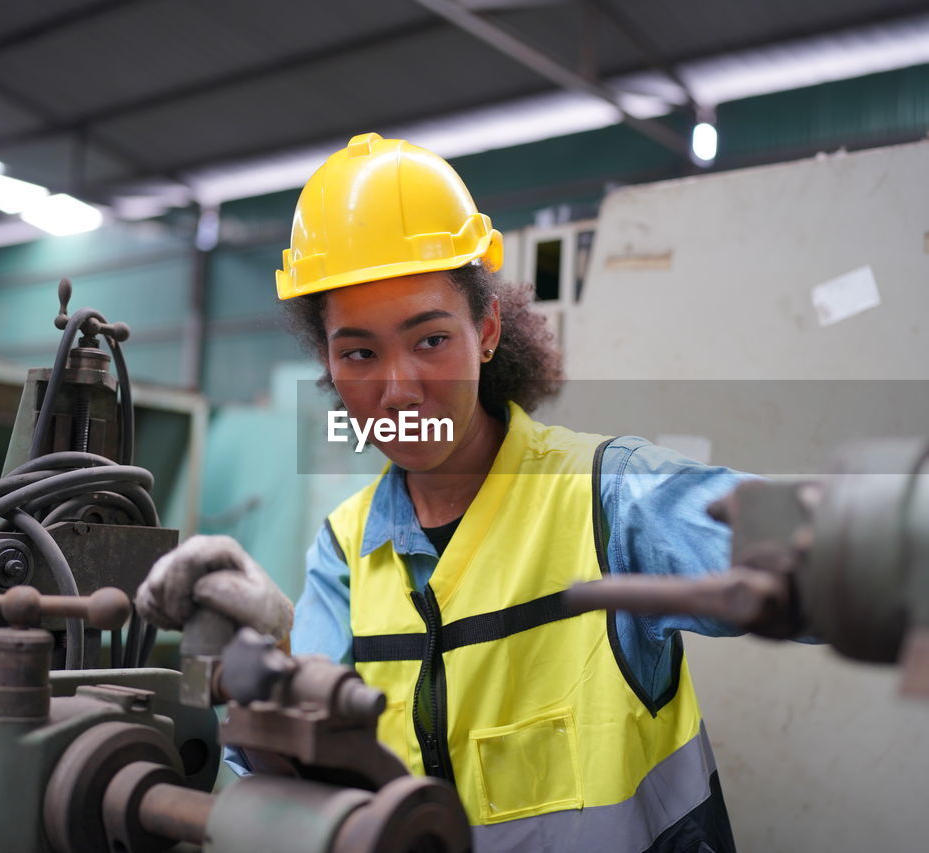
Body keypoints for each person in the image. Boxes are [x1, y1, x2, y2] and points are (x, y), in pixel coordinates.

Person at [157, 132, 749, 852]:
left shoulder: (608, 501)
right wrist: (266, 656)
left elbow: (801, 547)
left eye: (430, 339)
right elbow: (296, 775)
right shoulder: (346, 552)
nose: (398, 386)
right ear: (329, 366)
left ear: (488, 331)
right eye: (360, 353)